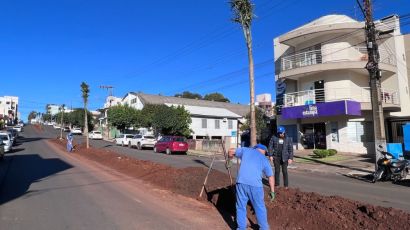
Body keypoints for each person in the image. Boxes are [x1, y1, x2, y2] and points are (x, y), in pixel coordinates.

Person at [228, 144, 275, 230]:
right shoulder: (264, 159)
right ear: (264, 151)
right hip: (256, 186)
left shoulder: (246, 150)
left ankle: (241, 228)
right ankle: (264, 228)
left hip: (241, 183)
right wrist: (272, 191)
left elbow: (230, 151)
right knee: (260, 207)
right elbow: (270, 176)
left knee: (240, 206)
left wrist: (230, 161)